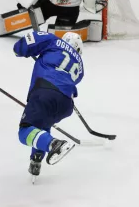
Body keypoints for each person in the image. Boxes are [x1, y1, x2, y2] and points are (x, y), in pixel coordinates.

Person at [13, 30, 84, 181]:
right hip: (66, 103)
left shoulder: (53, 41)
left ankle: (54, 144)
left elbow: (28, 41)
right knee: (41, 125)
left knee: (24, 132)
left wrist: (19, 50)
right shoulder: (81, 68)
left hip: (45, 91)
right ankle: (36, 159)